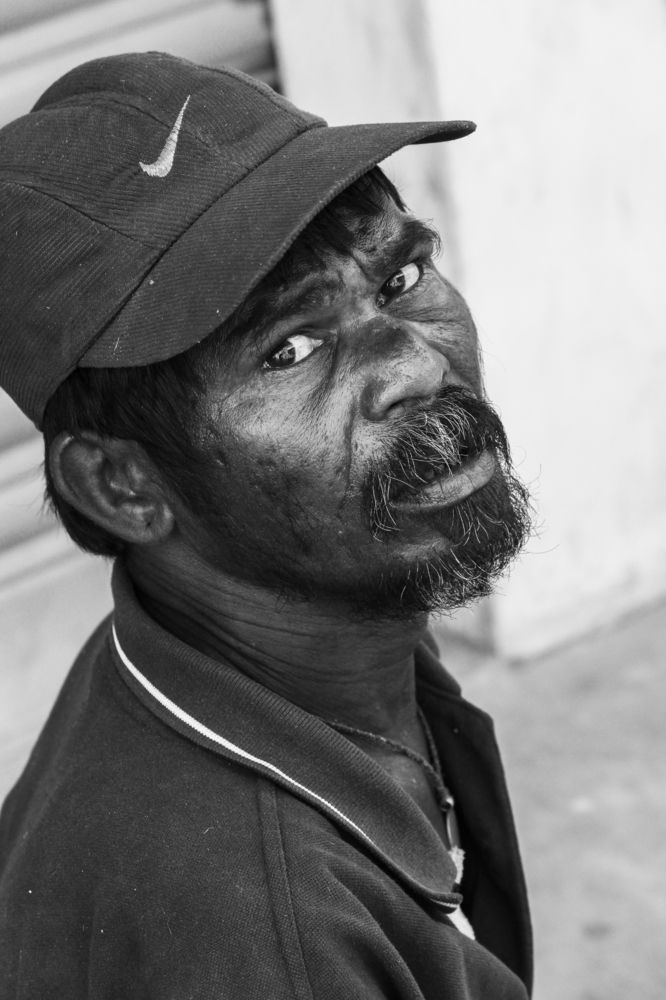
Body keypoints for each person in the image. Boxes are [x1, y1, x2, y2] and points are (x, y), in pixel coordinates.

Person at [0, 52, 534, 998]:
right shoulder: (267, 939)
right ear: (123, 486)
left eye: (401, 278)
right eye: (291, 348)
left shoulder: (325, 637)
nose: (416, 364)